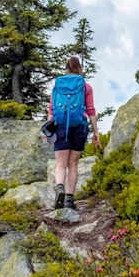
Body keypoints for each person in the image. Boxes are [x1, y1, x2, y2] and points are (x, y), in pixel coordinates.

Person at [47, 56, 99, 210]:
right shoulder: (85, 87)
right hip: (79, 126)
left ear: (66, 68)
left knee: (61, 164)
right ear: (80, 69)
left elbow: (51, 110)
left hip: (61, 125)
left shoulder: (58, 86)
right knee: (73, 164)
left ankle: (60, 188)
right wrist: (96, 133)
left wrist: (48, 129)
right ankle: (69, 200)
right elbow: (91, 111)